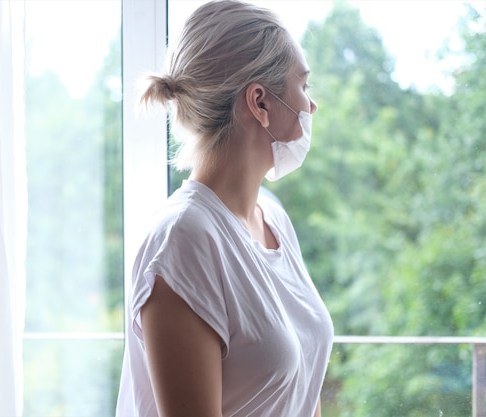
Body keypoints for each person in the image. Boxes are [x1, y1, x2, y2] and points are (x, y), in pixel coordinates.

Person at [116, 1, 334, 416]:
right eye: (302, 86)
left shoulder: (272, 219)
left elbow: (304, 391)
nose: (311, 106)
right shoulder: (183, 241)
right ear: (260, 102)